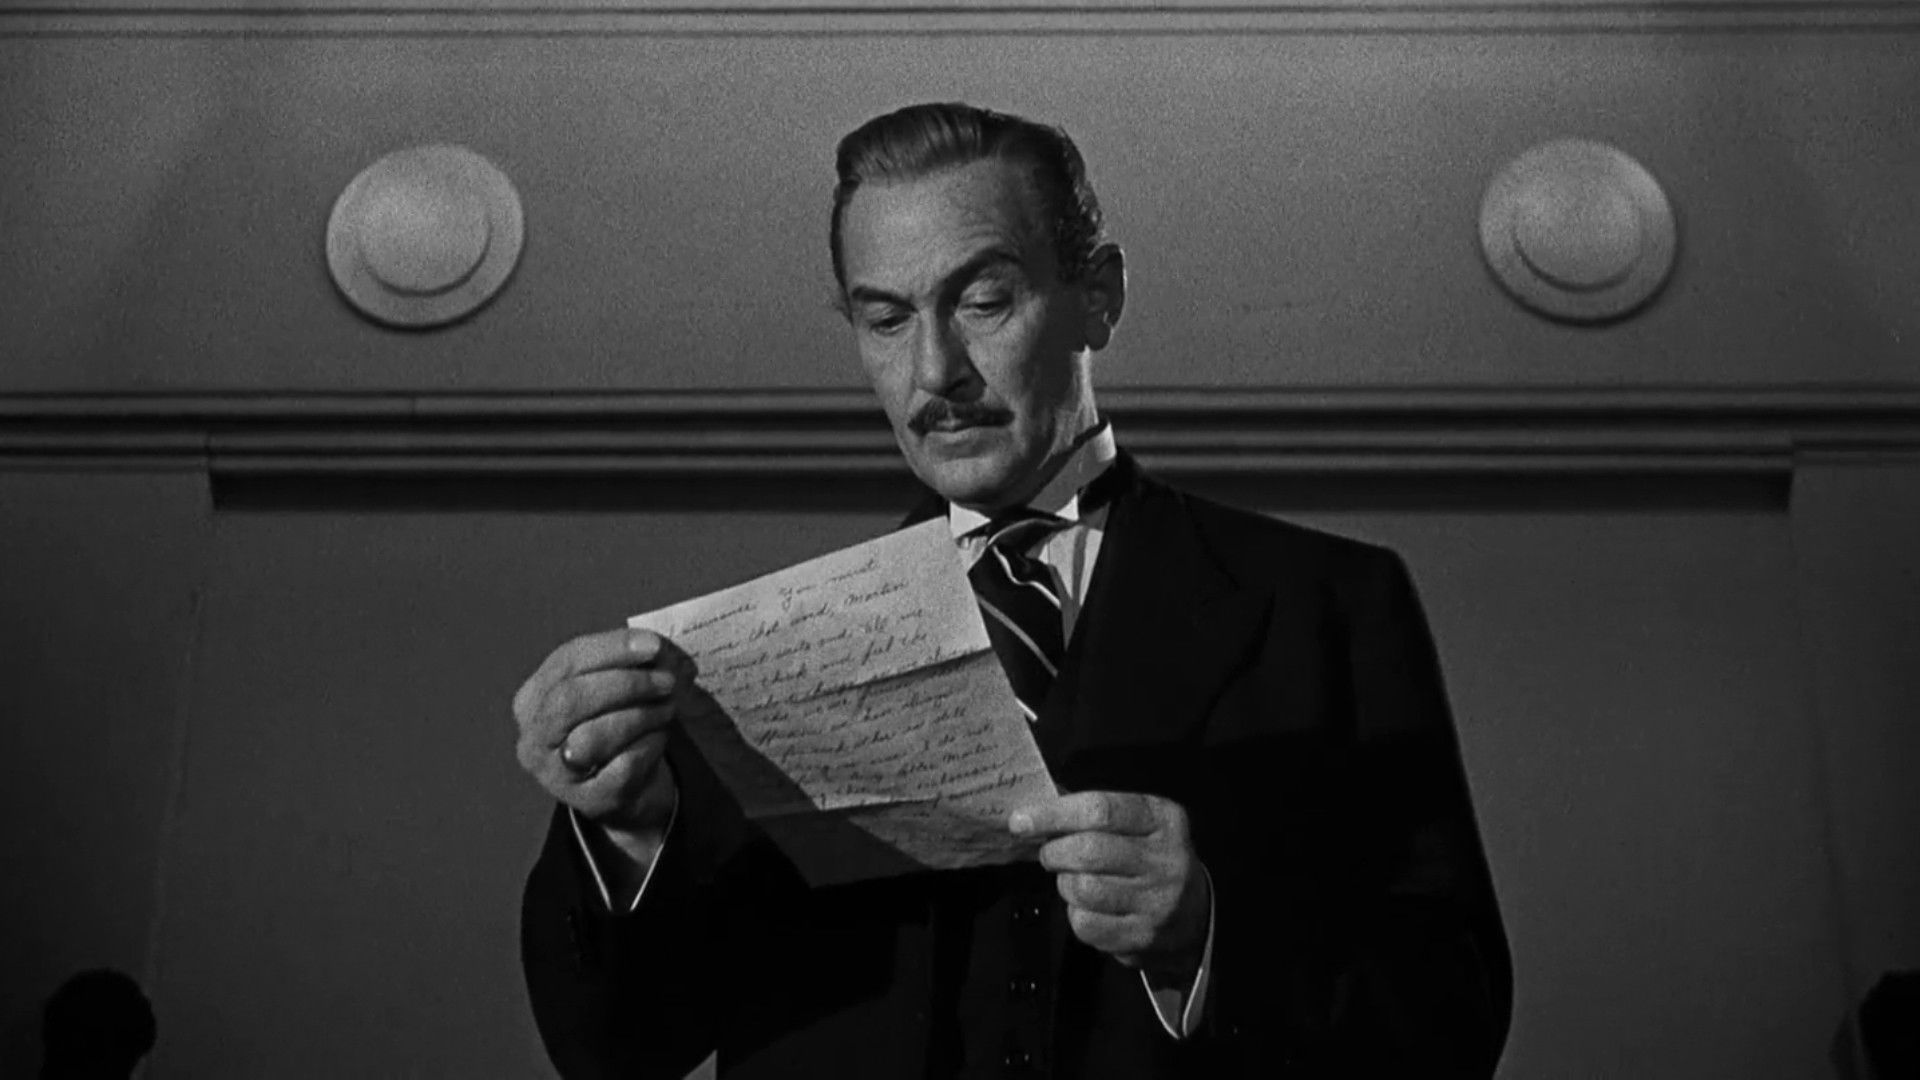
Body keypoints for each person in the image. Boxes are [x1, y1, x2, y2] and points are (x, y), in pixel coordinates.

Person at [514, 102, 1512, 1078]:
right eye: (886, 318)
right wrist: (627, 830)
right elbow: (614, 1050)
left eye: (983, 301)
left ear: (1099, 297)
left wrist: (1204, 936)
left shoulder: (1327, 607)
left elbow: (1452, 1025)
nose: (934, 371)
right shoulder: (760, 665)